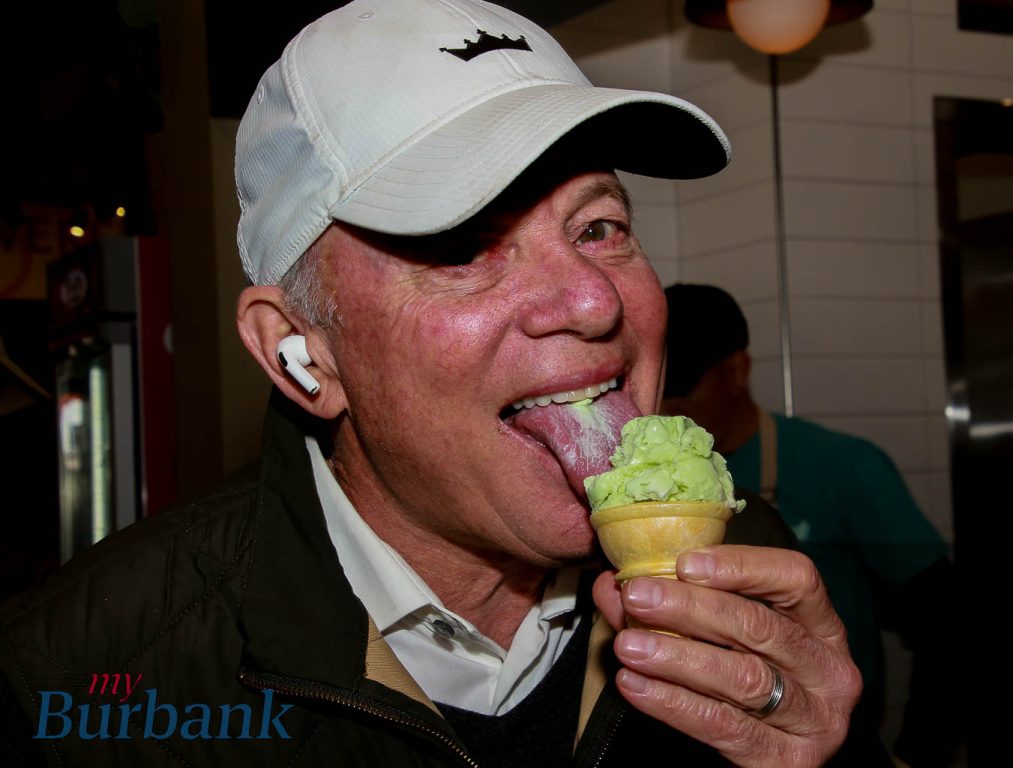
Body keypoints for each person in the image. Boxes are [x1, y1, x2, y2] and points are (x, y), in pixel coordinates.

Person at [1, 2, 863, 765]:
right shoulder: (72, 689)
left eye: (598, 227)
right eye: (461, 247)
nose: (593, 301)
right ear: (300, 350)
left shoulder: (745, 555)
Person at [660, 283, 961, 767]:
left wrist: (920, 753)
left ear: (736, 371)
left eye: (681, 390)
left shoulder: (841, 466)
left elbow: (945, 620)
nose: (665, 406)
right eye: (657, 384)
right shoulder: (646, 483)